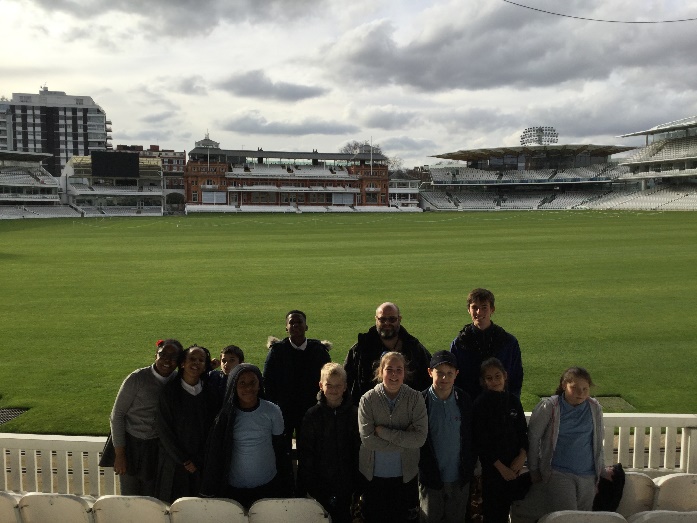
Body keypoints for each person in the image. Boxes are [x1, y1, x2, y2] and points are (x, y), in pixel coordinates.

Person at [201, 363, 293, 508]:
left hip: (268, 485)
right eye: (242, 383)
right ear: (234, 386)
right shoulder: (226, 417)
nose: (248, 388)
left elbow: (280, 447)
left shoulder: (272, 411)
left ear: (259, 384)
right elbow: (216, 454)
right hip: (234, 489)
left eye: (253, 382)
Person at [358, 351, 428, 523]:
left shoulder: (416, 398)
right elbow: (368, 440)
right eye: (389, 369)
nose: (394, 374)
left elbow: (420, 439)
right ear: (381, 371)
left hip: (405, 478)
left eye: (399, 369)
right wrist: (406, 439)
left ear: (405, 372)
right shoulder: (367, 400)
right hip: (373, 478)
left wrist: (383, 432)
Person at [110, 338, 183, 496]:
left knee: (151, 498)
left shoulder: (177, 381)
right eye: (163, 355)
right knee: (129, 498)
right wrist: (120, 455)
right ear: (155, 355)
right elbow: (117, 415)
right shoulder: (137, 378)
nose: (167, 361)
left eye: (173, 357)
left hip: (156, 448)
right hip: (131, 446)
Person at [527, 366, 605, 513]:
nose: (581, 393)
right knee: (568, 516)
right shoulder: (550, 406)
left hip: (588, 475)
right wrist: (534, 469)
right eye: (574, 388)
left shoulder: (594, 408)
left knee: (584, 517)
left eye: (585, 389)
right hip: (558, 473)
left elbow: (598, 441)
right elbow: (533, 437)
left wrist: (602, 469)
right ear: (564, 385)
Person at [297, 363, 361, 523]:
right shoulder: (312, 415)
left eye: (338, 385)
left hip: (348, 485)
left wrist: (358, 485)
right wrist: (310, 485)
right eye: (329, 385)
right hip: (320, 486)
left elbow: (359, 450)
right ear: (321, 386)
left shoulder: (355, 414)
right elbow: (306, 453)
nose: (333, 390)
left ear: (345, 387)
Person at [156, 345, 220, 503]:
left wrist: (199, 459)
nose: (196, 363)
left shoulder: (211, 393)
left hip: (202, 465)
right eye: (192, 359)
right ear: (183, 363)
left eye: (201, 360)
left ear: (205, 366)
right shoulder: (169, 392)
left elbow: (214, 429)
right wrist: (184, 460)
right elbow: (164, 430)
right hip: (175, 465)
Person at [418, 351, 474, 523]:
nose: (445, 378)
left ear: (456, 374)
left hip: (459, 479)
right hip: (430, 480)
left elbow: (470, 437)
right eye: (440, 373)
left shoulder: (464, 399)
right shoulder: (420, 401)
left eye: (449, 373)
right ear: (430, 372)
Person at [263, 310, 331, 452]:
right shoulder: (277, 351)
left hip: (310, 410)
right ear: (286, 328)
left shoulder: (319, 351)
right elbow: (268, 382)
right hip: (283, 411)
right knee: (282, 450)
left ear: (306, 326)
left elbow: (327, 380)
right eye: (291, 322)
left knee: (309, 450)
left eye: (299, 322)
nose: (295, 325)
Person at [473, 358, 530, 523]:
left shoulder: (513, 401)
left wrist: (522, 456)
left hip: (515, 467)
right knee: (494, 514)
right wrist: (501, 468)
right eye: (489, 378)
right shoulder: (480, 405)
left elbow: (523, 432)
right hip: (494, 472)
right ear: (484, 381)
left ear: (505, 376)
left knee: (517, 511)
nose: (494, 381)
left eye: (498, 376)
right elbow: (481, 442)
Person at [345, 302, 432, 406]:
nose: (387, 323)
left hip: (407, 410)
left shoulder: (414, 348)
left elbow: (429, 379)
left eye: (392, 319)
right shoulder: (361, 349)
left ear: (399, 319)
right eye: (382, 319)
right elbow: (345, 381)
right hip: (369, 409)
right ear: (376, 319)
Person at [450, 288, 523, 400]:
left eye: (484, 307)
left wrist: (511, 403)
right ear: (468, 310)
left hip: (502, 403)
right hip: (470, 405)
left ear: (492, 309)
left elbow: (516, 377)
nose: (479, 312)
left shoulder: (508, 342)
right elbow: (455, 380)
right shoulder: (459, 344)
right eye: (475, 308)